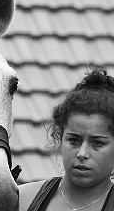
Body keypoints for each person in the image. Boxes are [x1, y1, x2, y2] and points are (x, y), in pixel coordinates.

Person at [19, 67, 114, 211]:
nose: (82, 153)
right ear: (60, 137)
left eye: (97, 143)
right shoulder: (22, 201)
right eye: (74, 140)